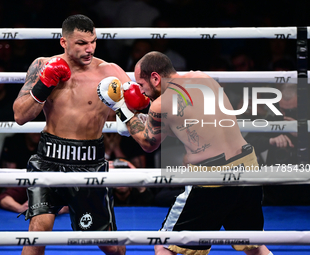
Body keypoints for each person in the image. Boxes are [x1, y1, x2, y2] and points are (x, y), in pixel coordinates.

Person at [97, 51, 272, 255]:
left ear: (155, 77)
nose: (142, 93)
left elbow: (148, 143)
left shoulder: (160, 104)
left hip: (212, 178)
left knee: (163, 245)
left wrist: (122, 110)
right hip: (248, 167)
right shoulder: (204, 78)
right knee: (253, 245)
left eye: (142, 85)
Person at [13, 14, 131, 255]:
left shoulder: (110, 72)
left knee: (112, 246)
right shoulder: (42, 65)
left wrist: (133, 108)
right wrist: (43, 85)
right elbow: (20, 116)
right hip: (48, 160)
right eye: (81, 43)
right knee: (38, 232)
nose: (89, 49)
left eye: (93, 42)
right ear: (63, 42)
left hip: (89, 163)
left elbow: (137, 115)